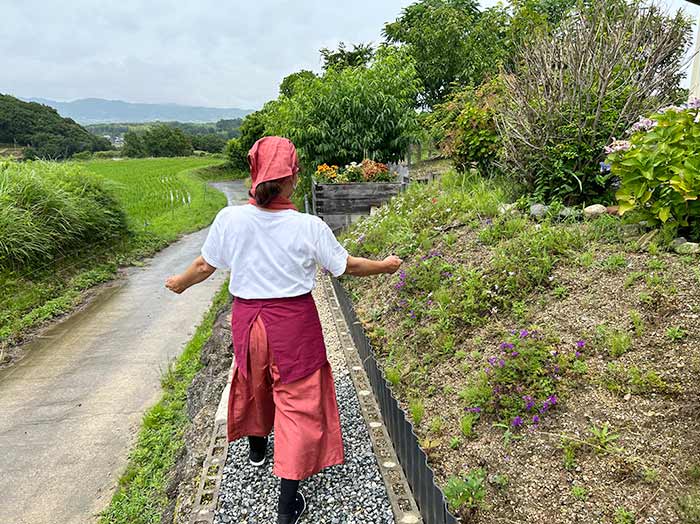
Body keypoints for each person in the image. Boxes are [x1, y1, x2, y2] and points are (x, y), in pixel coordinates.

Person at [165, 136, 402, 524]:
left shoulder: (231, 219)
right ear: (293, 176)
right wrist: (386, 265)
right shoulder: (308, 226)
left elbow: (204, 266)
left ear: (254, 173)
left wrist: (178, 282)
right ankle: (286, 507)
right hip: (293, 325)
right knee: (298, 403)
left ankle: (257, 449)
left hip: (248, 320)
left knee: (253, 382)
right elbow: (347, 267)